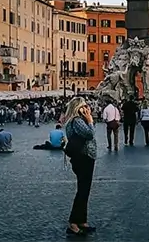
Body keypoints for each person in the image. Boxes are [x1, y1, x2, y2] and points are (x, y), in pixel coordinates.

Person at [62, 97, 98, 237]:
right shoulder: (76, 121)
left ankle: (82, 220)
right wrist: (90, 121)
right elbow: (90, 134)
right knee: (82, 191)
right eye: (84, 107)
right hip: (83, 157)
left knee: (85, 190)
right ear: (78, 108)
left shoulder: (76, 121)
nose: (87, 109)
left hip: (84, 157)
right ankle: (73, 223)